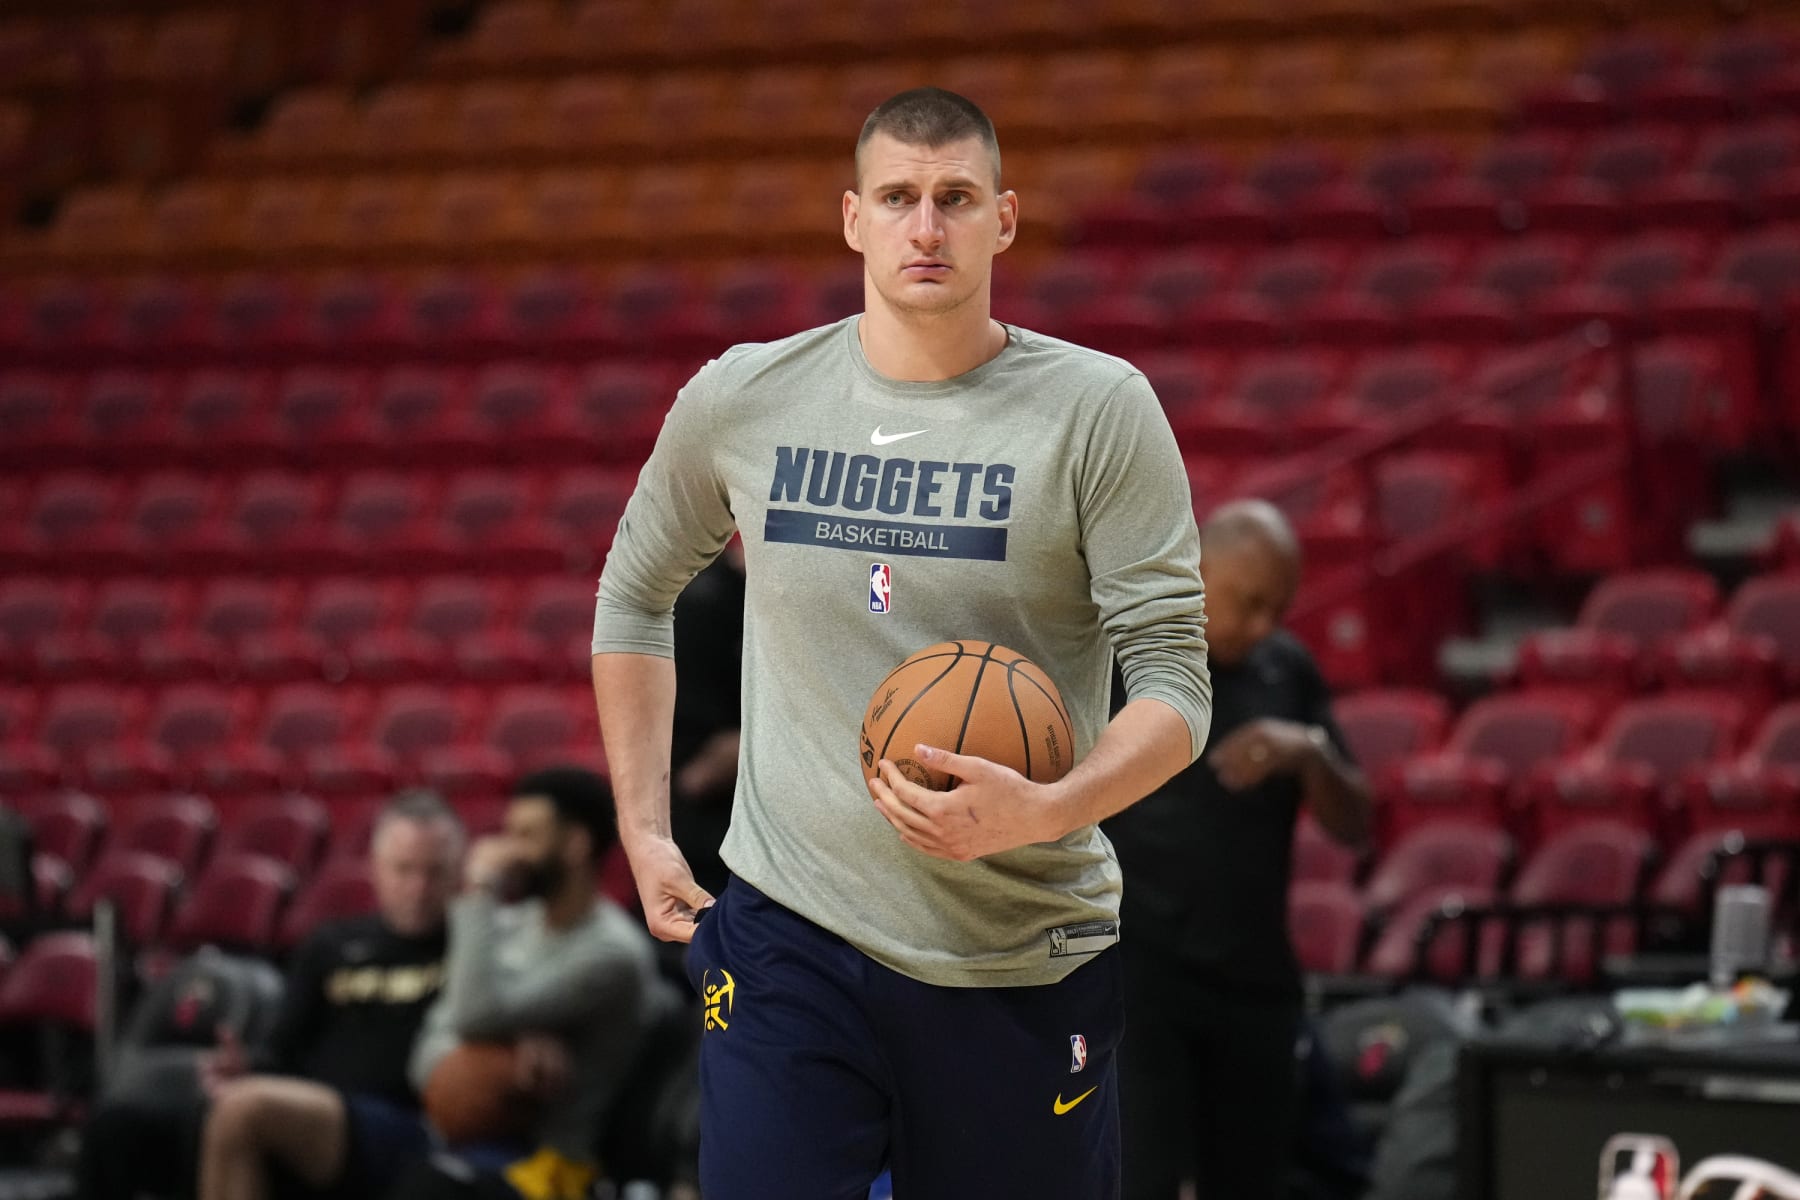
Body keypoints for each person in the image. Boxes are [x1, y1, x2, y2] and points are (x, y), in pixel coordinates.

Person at [591, 87, 1211, 1199]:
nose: (926, 227)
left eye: (956, 198)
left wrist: (1048, 809)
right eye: (898, 199)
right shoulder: (744, 397)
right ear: (853, 218)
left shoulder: (1098, 410)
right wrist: (642, 830)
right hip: (790, 934)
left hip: (1016, 946)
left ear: (1003, 220)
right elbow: (633, 598)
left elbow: (1175, 679)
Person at [1102, 499, 1373, 1200]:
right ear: (1199, 568)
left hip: (1254, 982)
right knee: (1142, 1179)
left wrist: (1310, 752)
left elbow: (1357, 824)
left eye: (1277, 610)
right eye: (1250, 603)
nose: (1263, 626)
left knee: (1253, 1183)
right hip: (1140, 975)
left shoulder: (1287, 671)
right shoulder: (1124, 658)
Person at [78, 790, 462, 1200]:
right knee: (116, 1122)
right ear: (377, 868)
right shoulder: (331, 944)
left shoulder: (466, 950)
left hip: (401, 1121)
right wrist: (242, 1066)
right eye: (404, 870)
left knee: (246, 1111)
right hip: (307, 1106)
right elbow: (281, 1050)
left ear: (459, 874)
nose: (418, 888)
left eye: (434, 872)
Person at [377, 766, 663, 1200]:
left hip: (550, 1163)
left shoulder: (612, 953)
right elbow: (430, 1042)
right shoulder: (515, 922)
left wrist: (479, 889)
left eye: (526, 836)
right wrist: (509, 1038)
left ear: (576, 844)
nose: (507, 851)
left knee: (427, 1186)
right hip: (468, 1134)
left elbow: (471, 1013)